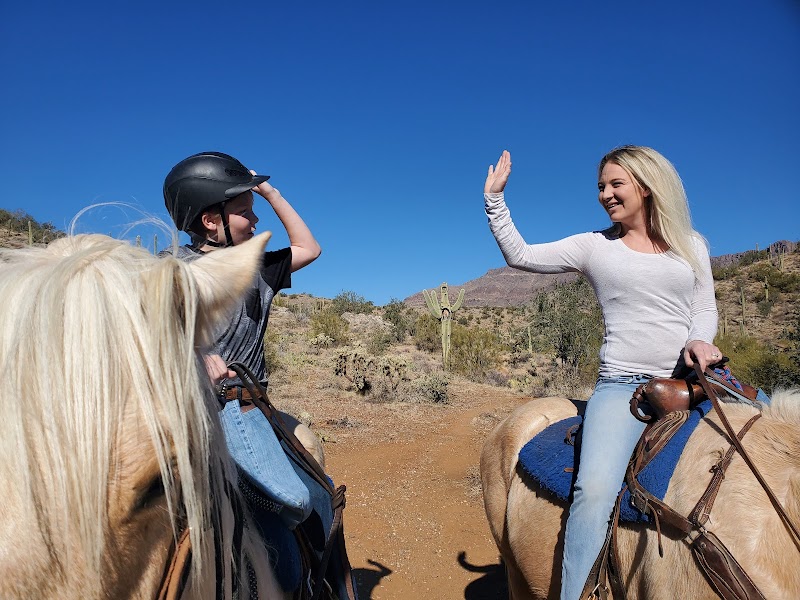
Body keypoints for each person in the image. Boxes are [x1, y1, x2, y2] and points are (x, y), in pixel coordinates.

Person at [483, 146, 721, 599]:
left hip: (688, 382)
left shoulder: (694, 245)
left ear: (647, 187)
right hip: (625, 389)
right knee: (593, 491)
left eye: (616, 185)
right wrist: (494, 201)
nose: (606, 195)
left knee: (771, 435)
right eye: (601, 187)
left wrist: (698, 340)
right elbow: (522, 255)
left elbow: (703, 306)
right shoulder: (595, 246)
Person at [163, 150, 322, 592]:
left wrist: (268, 190)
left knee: (310, 499)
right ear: (210, 221)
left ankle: (317, 580)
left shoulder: (258, 265)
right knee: (293, 502)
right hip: (200, 412)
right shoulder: (170, 272)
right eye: (244, 211)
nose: (255, 220)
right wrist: (195, 354)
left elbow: (310, 248)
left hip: (252, 409)